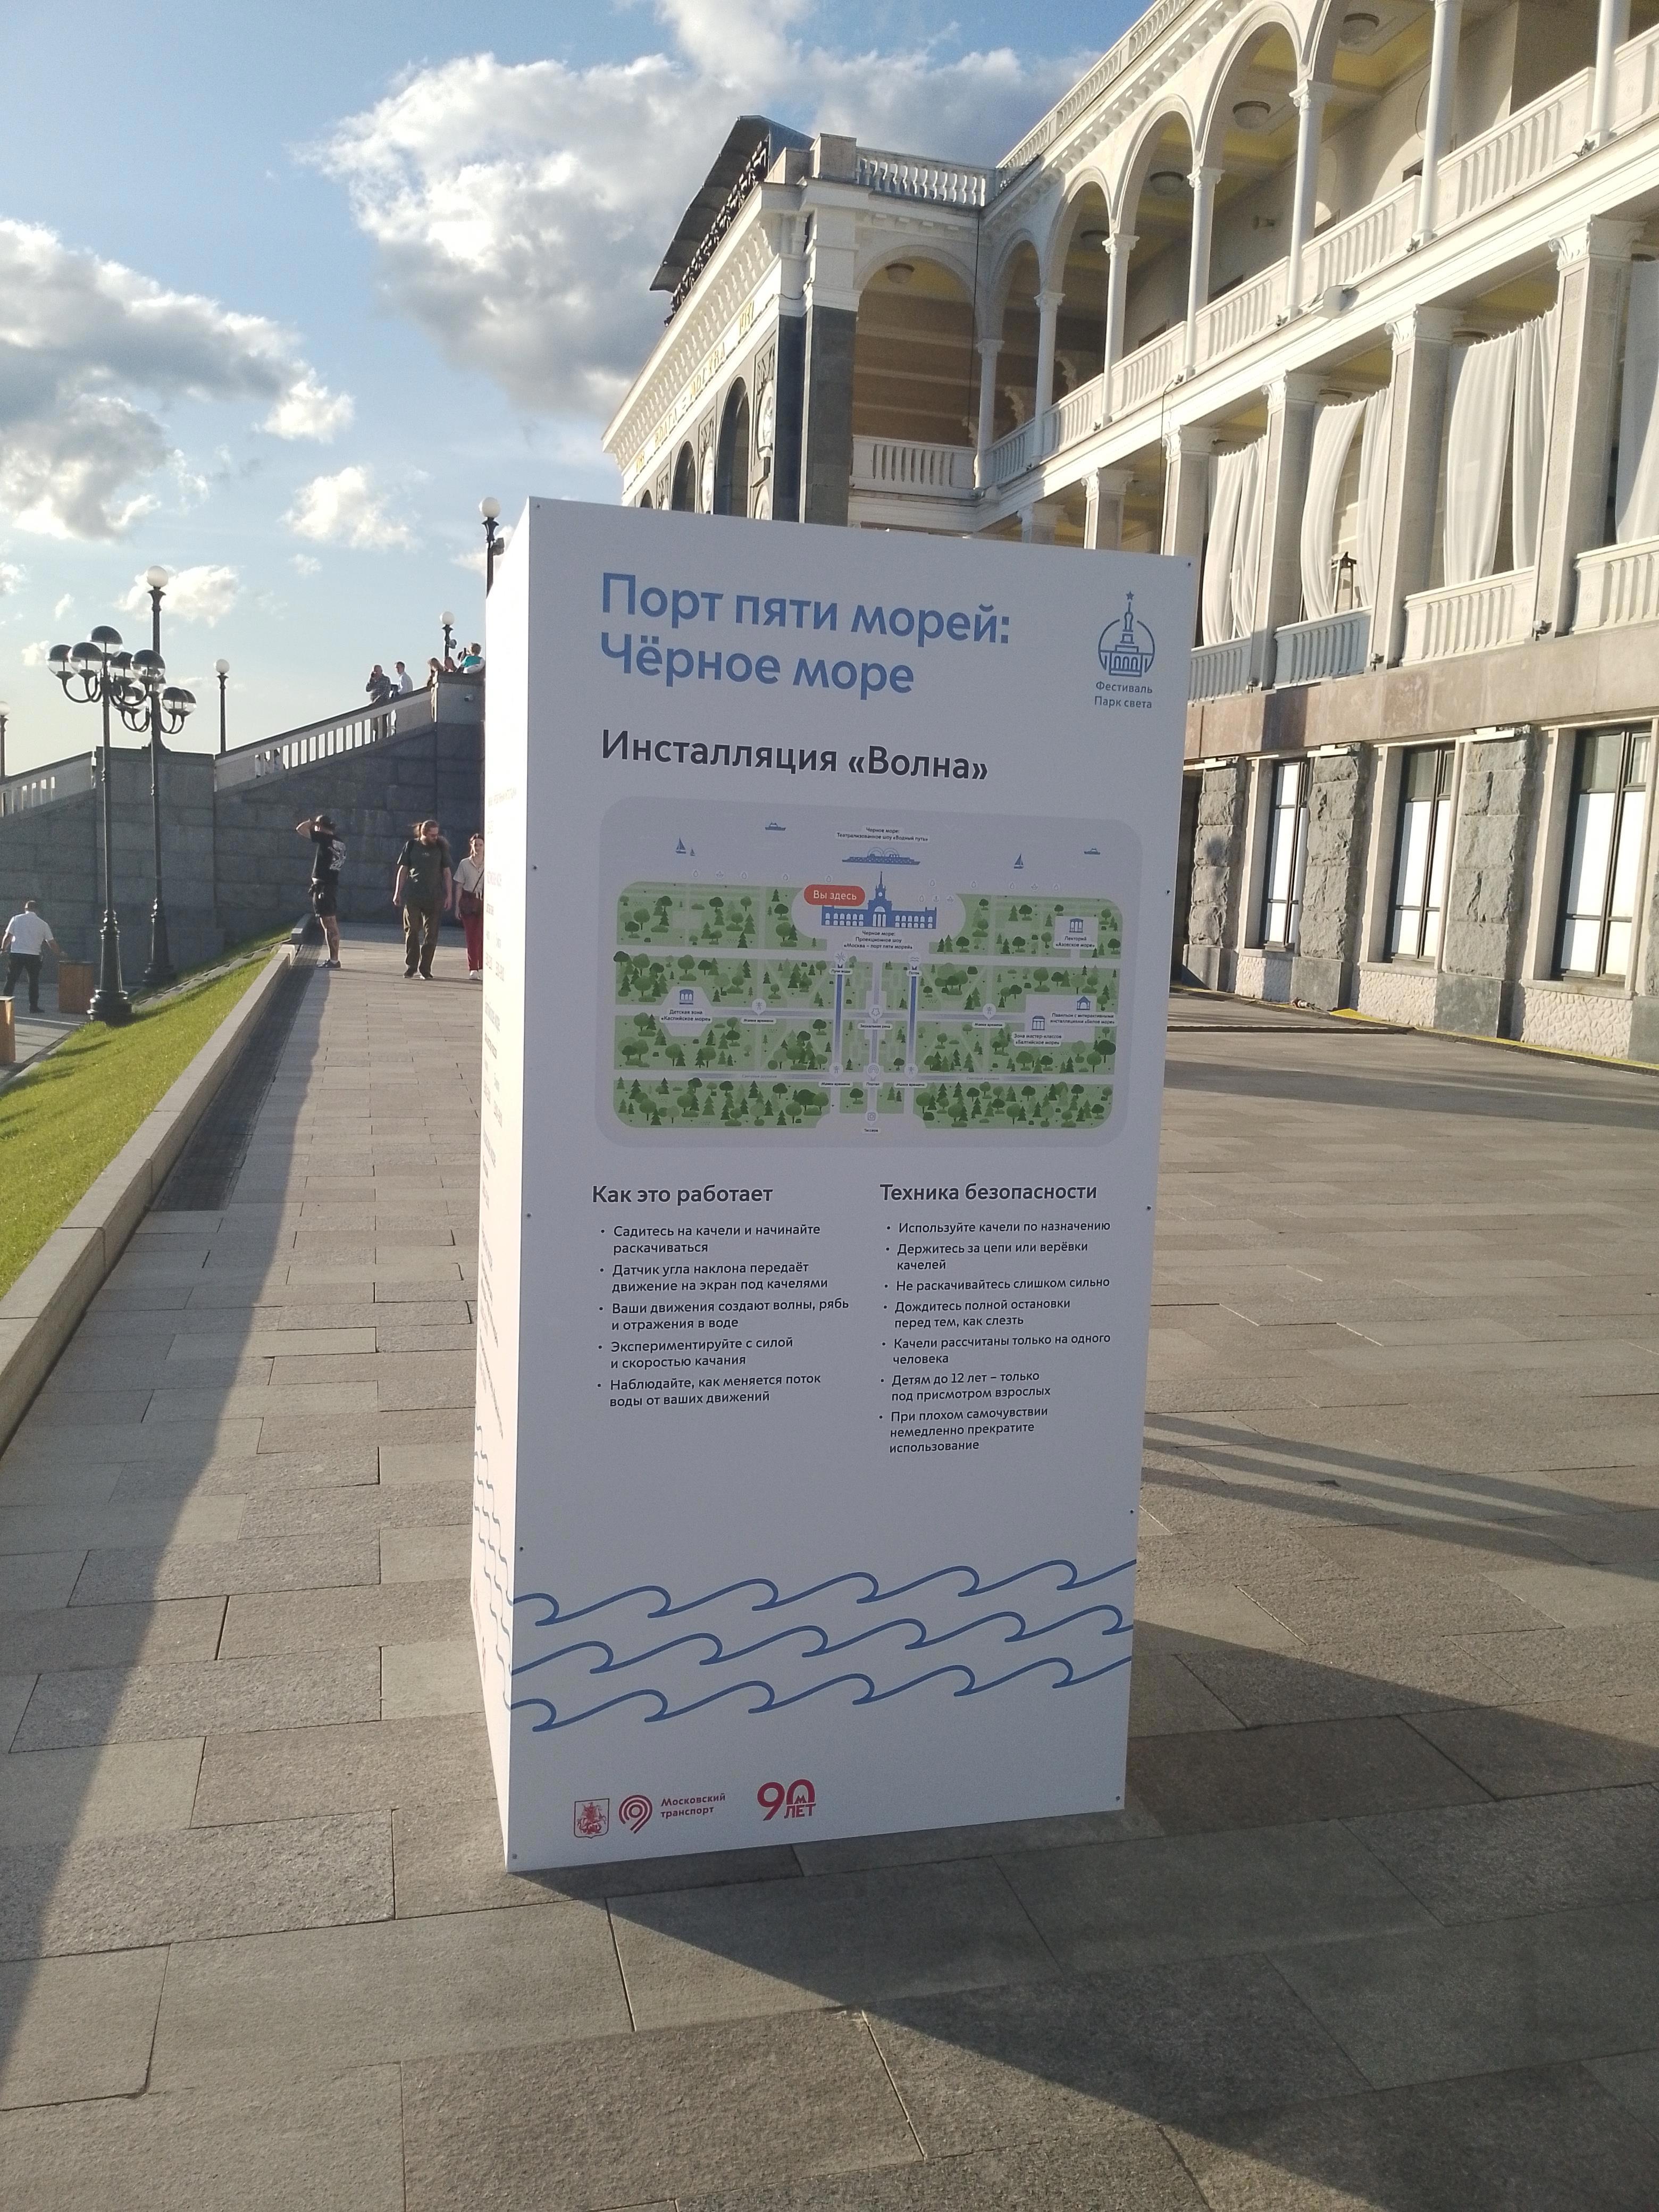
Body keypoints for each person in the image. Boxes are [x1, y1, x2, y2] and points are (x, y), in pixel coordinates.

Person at [393, 818, 451, 979]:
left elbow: (447, 873)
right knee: (412, 930)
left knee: (431, 935)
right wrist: (398, 892)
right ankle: (411, 966)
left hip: (434, 897)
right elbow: (403, 869)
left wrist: (449, 895)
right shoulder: (412, 846)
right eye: (433, 835)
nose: (436, 837)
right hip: (413, 896)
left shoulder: (441, 847)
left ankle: (426, 968)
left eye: (437, 834)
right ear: (424, 833)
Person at [295, 814, 345, 968]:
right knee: (331, 923)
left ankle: (334, 960)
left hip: (323, 887)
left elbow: (300, 829)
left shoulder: (325, 838)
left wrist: (312, 823)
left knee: (328, 924)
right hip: (331, 886)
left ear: (321, 827)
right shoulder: (340, 842)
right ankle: (334, 959)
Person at [2, 900, 61, 1013]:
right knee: (33, 981)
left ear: (26, 909)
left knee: (11, 980)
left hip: (17, 954)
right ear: (37, 910)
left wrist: (3, 949)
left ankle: (3, 1007)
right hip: (34, 956)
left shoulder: (16, 919)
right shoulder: (43, 924)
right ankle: (33, 1007)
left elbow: (8, 936)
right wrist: (59, 953)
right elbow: (51, 942)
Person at [454, 831, 485, 980]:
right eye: (475, 845)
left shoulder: (491, 863)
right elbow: (459, 886)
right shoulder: (465, 864)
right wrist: (457, 907)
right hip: (469, 901)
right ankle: (473, 968)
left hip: (485, 900)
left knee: (483, 936)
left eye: (481, 845)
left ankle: (483, 966)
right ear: (471, 846)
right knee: (472, 936)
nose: (478, 848)